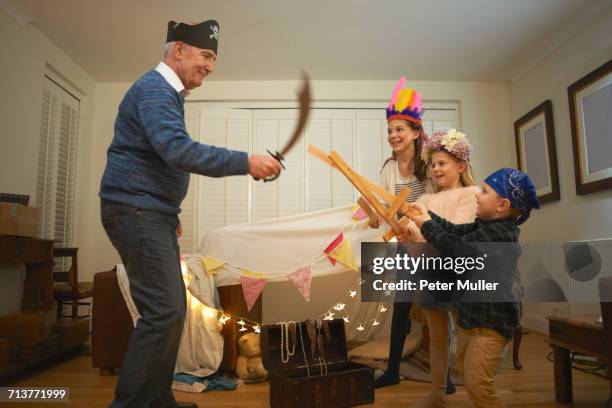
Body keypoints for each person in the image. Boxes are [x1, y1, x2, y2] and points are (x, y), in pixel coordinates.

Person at [99, 20, 281, 408]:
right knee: (164, 311)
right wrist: (246, 161)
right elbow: (177, 151)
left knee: (171, 311)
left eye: (214, 58)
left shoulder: (168, 94)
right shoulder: (154, 89)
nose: (211, 66)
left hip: (150, 211)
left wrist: (168, 211)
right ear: (178, 49)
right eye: (207, 55)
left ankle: (157, 400)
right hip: (136, 210)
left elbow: (155, 158)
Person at [410, 168, 540, 408]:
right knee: (468, 374)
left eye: (485, 191)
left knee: (479, 384)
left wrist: (427, 226)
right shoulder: (485, 226)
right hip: (473, 318)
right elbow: (455, 230)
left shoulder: (499, 235)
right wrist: (429, 216)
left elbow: (456, 247)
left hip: (491, 323)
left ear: (502, 205)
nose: (478, 195)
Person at [402, 129, 480, 407]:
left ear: (460, 166)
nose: (435, 168)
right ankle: (437, 392)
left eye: (442, 163)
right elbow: (411, 227)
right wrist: (405, 228)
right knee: (436, 339)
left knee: (467, 336)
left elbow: (458, 234)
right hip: (432, 273)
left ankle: (477, 391)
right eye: (433, 164)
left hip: (460, 274)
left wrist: (425, 230)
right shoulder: (425, 200)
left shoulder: (472, 194)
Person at [370, 77, 432, 389]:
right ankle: (393, 369)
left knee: (437, 307)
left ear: (416, 133)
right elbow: (383, 205)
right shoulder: (388, 168)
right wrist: (374, 215)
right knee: (401, 305)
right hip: (406, 247)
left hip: (431, 244)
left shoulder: (430, 166)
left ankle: (444, 371)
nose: (393, 135)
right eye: (390, 131)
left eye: (400, 130)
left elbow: (436, 206)